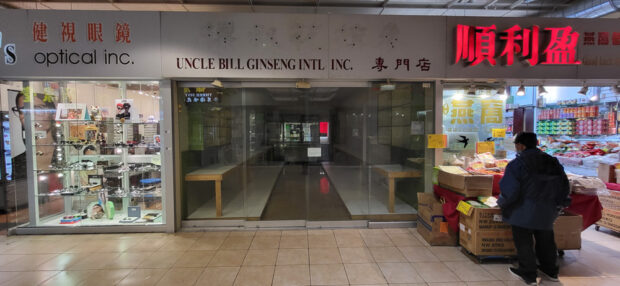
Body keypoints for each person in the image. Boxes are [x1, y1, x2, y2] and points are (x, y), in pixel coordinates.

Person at [498, 132, 571, 285]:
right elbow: (564, 185)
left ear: (520, 145)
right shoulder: (552, 162)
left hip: (523, 209)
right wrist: (561, 204)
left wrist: (502, 203)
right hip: (548, 209)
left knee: (523, 241)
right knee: (546, 240)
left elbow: (510, 190)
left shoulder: (517, 164)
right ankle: (550, 271)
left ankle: (528, 273)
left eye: (517, 145)